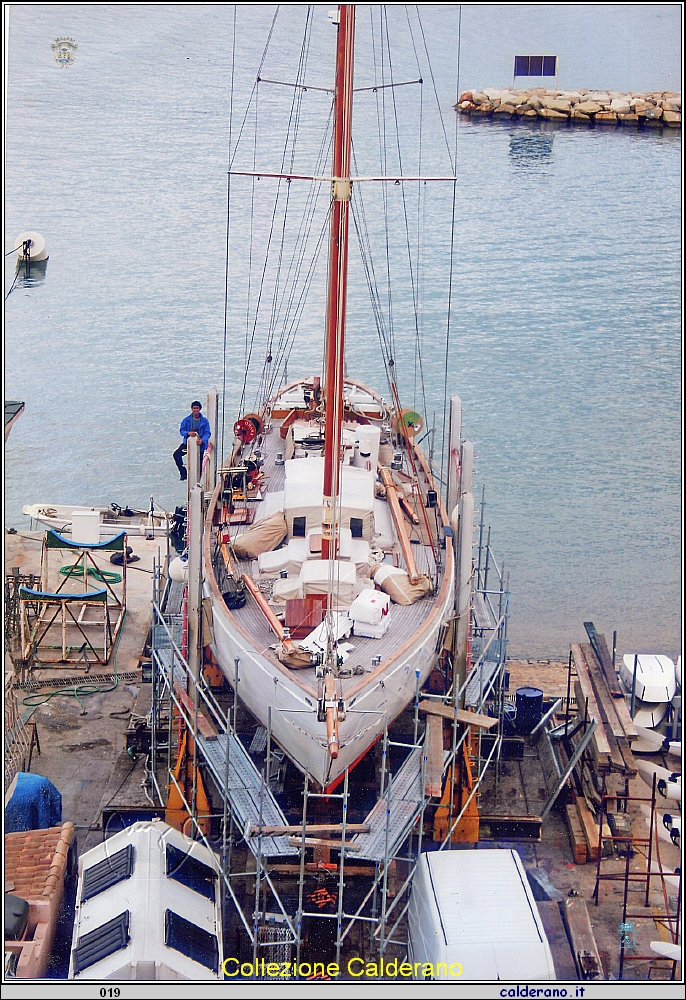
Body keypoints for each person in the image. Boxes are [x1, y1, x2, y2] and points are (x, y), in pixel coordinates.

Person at [174, 400, 211, 481]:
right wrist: (188, 433)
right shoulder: (186, 420)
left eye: (197, 408)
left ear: (200, 409)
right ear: (191, 409)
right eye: (194, 408)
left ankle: (197, 479)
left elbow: (207, 433)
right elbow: (181, 431)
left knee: (199, 463)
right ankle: (183, 472)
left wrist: (202, 440)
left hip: (199, 445)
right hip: (188, 443)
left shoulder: (205, 421)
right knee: (176, 455)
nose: (195, 410)